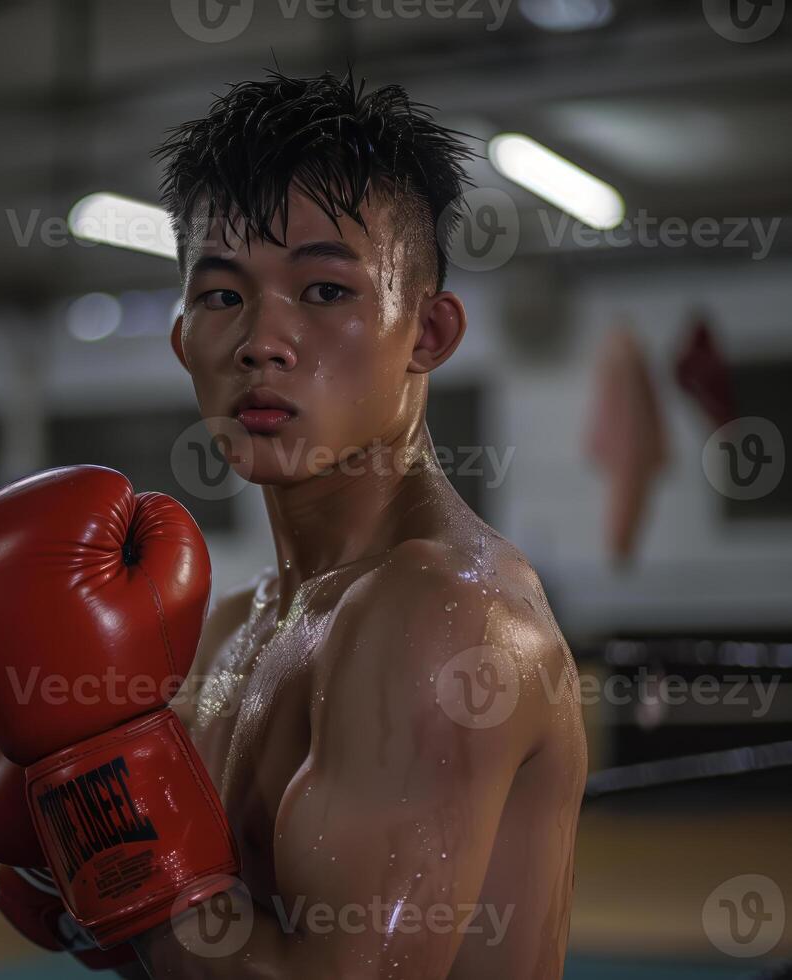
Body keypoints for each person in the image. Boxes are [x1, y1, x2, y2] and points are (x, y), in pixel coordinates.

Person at [116, 68, 587, 978]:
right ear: (183, 342)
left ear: (429, 333)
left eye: (326, 291)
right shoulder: (229, 626)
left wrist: (112, 865)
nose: (262, 339)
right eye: (222, 295)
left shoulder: (447, 614)